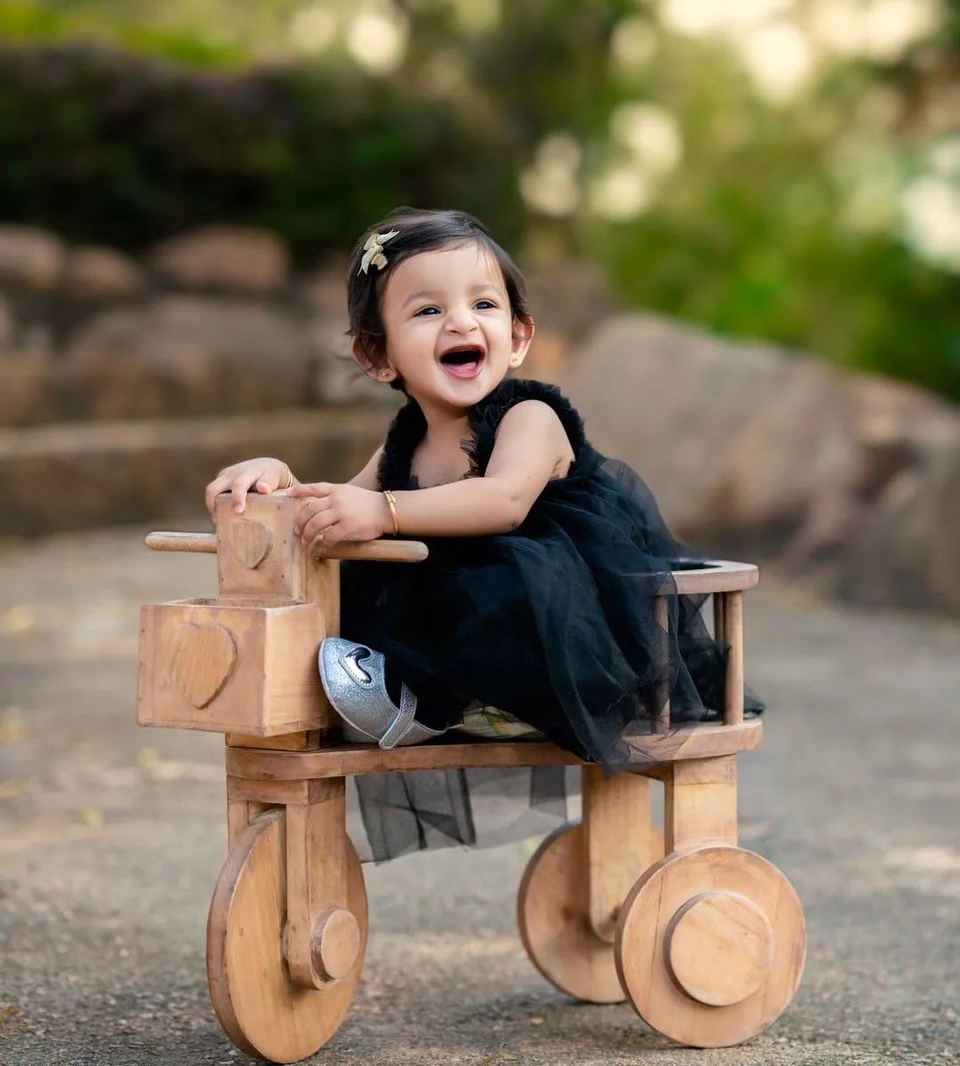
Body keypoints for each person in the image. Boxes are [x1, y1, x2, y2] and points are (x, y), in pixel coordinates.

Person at [205, 208, 761, 856]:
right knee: (362, 568)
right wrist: (279, 481)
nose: (462, 322)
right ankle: (415, 698)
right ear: (377, 355)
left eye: (483, 304)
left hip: (573, 626)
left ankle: (453, 704)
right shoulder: (404, 446)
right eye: (427, 311)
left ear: (519, 336)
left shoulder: (530, 415)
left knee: (499, 581)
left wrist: (386, 511)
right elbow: (337, 512)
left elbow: (504, 501)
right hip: (472, 626)